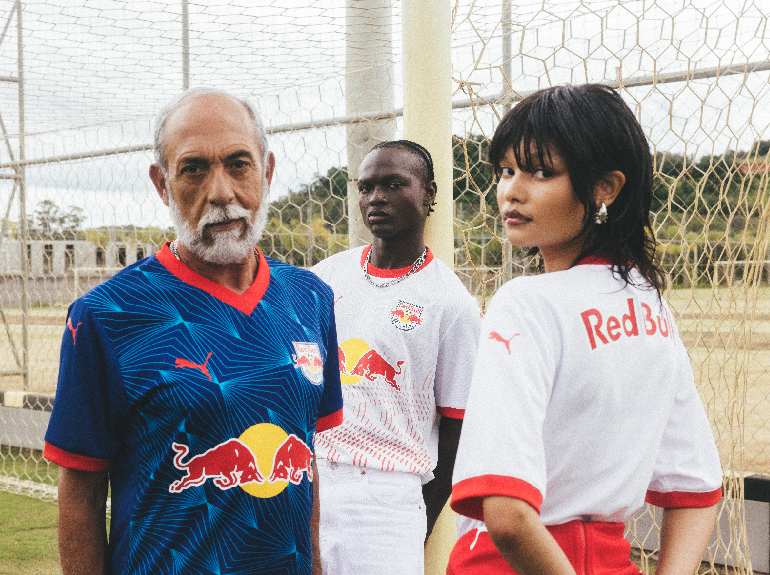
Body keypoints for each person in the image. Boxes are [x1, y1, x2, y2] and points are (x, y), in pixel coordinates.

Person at [44, 88, 343, 575]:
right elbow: (79, 494)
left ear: (266, 173)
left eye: (238, 164)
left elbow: (302, 463)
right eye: (194, 169)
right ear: (162, 184)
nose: (221, 191)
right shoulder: (104, 316)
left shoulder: (310, 298)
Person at [448, 84, 723, 575]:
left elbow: (508, 517)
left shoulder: (525, 303)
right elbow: (697, 488)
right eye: (505, 170)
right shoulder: (649, 304)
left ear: (606, 187)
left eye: (541, 171)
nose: (512, 190)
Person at [310, 140, 481, 575]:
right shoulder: (325, 278)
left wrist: (416, 519)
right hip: (310, 483)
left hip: (387, 500)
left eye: (392, 184)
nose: (376, 198)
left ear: (429, 192)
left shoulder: (451, 303)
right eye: (366, 187)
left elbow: (457, 428)